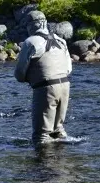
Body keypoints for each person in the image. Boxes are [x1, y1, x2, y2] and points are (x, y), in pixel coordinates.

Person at [14, 10, 73, 145]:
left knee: (41, 136)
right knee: (58, 131)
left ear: (32, 25)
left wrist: (30, 76)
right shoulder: (61, 40)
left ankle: (45, 166)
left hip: (46, 89)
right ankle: (62, 161)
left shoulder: (30, 42)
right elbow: (68, 69)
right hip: (65, 87)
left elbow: (19, 74)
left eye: (27, 25)